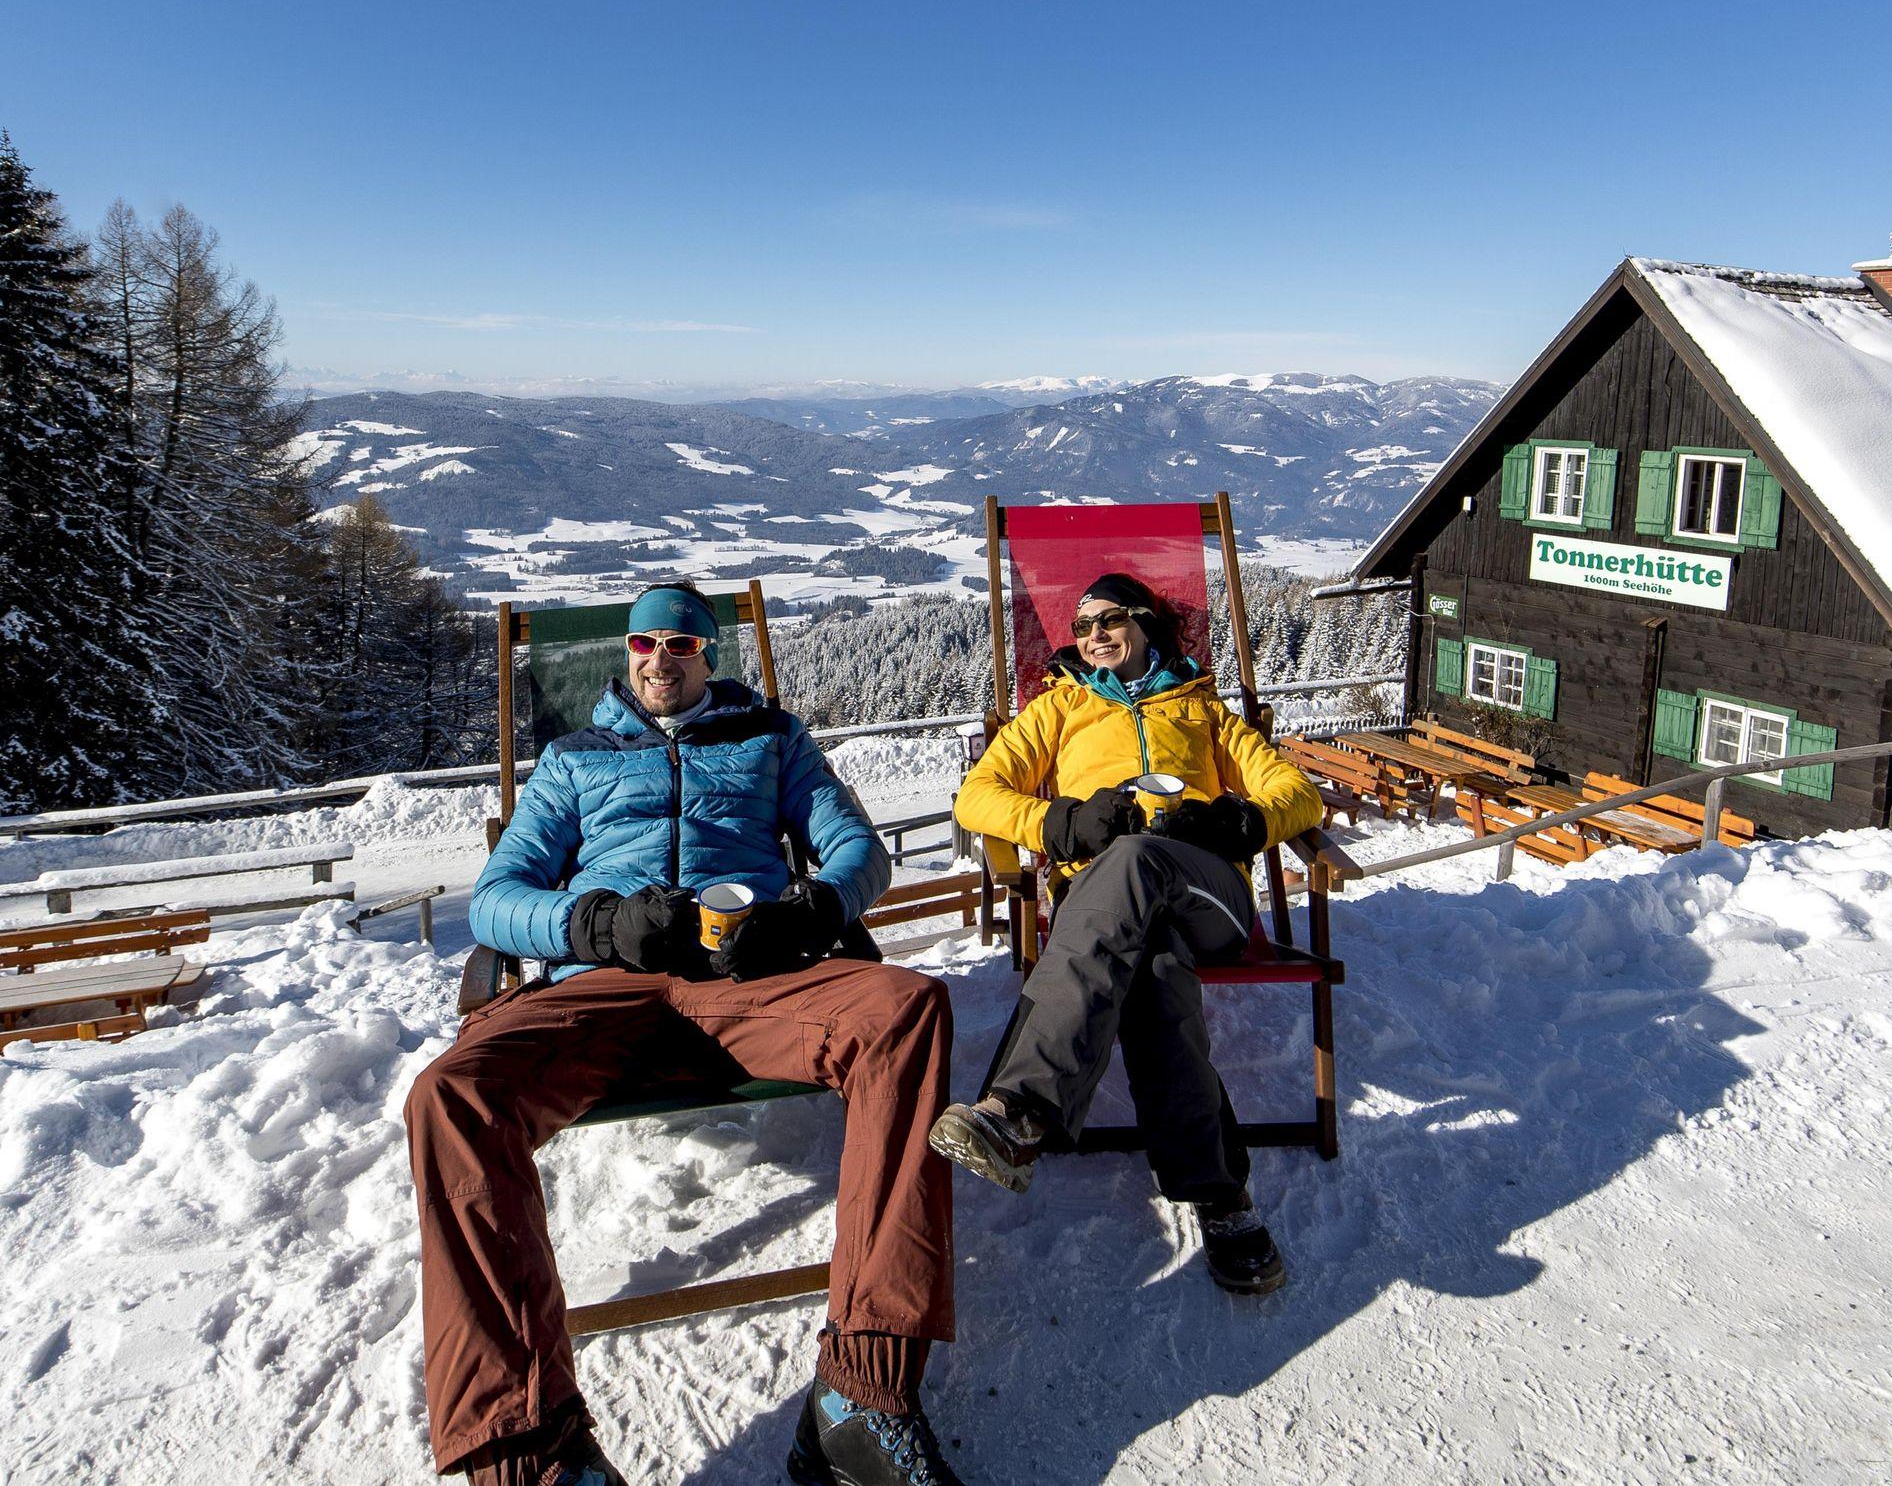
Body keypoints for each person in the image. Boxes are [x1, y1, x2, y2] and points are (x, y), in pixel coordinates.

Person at [405, 582, 964, 1486]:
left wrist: (811, 911)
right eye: (643, 644)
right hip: (609, 985)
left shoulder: (771, 739)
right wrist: (597, 924)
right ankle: (533, 1451)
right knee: (452, 1095)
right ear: (624, 655)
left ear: (710, 654)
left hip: (752, 980)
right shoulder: (573, 760)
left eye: (680, 643)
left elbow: (859, 849)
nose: (659, 659)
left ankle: (861, 1391)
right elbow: (496, 902)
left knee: (906, 1011)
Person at [936, 571, 1322, 1295]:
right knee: (1150, 967)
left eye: (1110, 620)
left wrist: (1236, 822)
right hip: (1108, 912)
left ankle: (1021, 1106)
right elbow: (977, 797)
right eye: (1082, 627)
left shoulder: (1202, 710)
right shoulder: (1059, 709)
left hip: (1207, 895)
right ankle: (1220, 1194)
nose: (1094, 636)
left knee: (1139, 857)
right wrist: (1061, 823)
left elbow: (1297, 793)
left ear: (1146, 624)